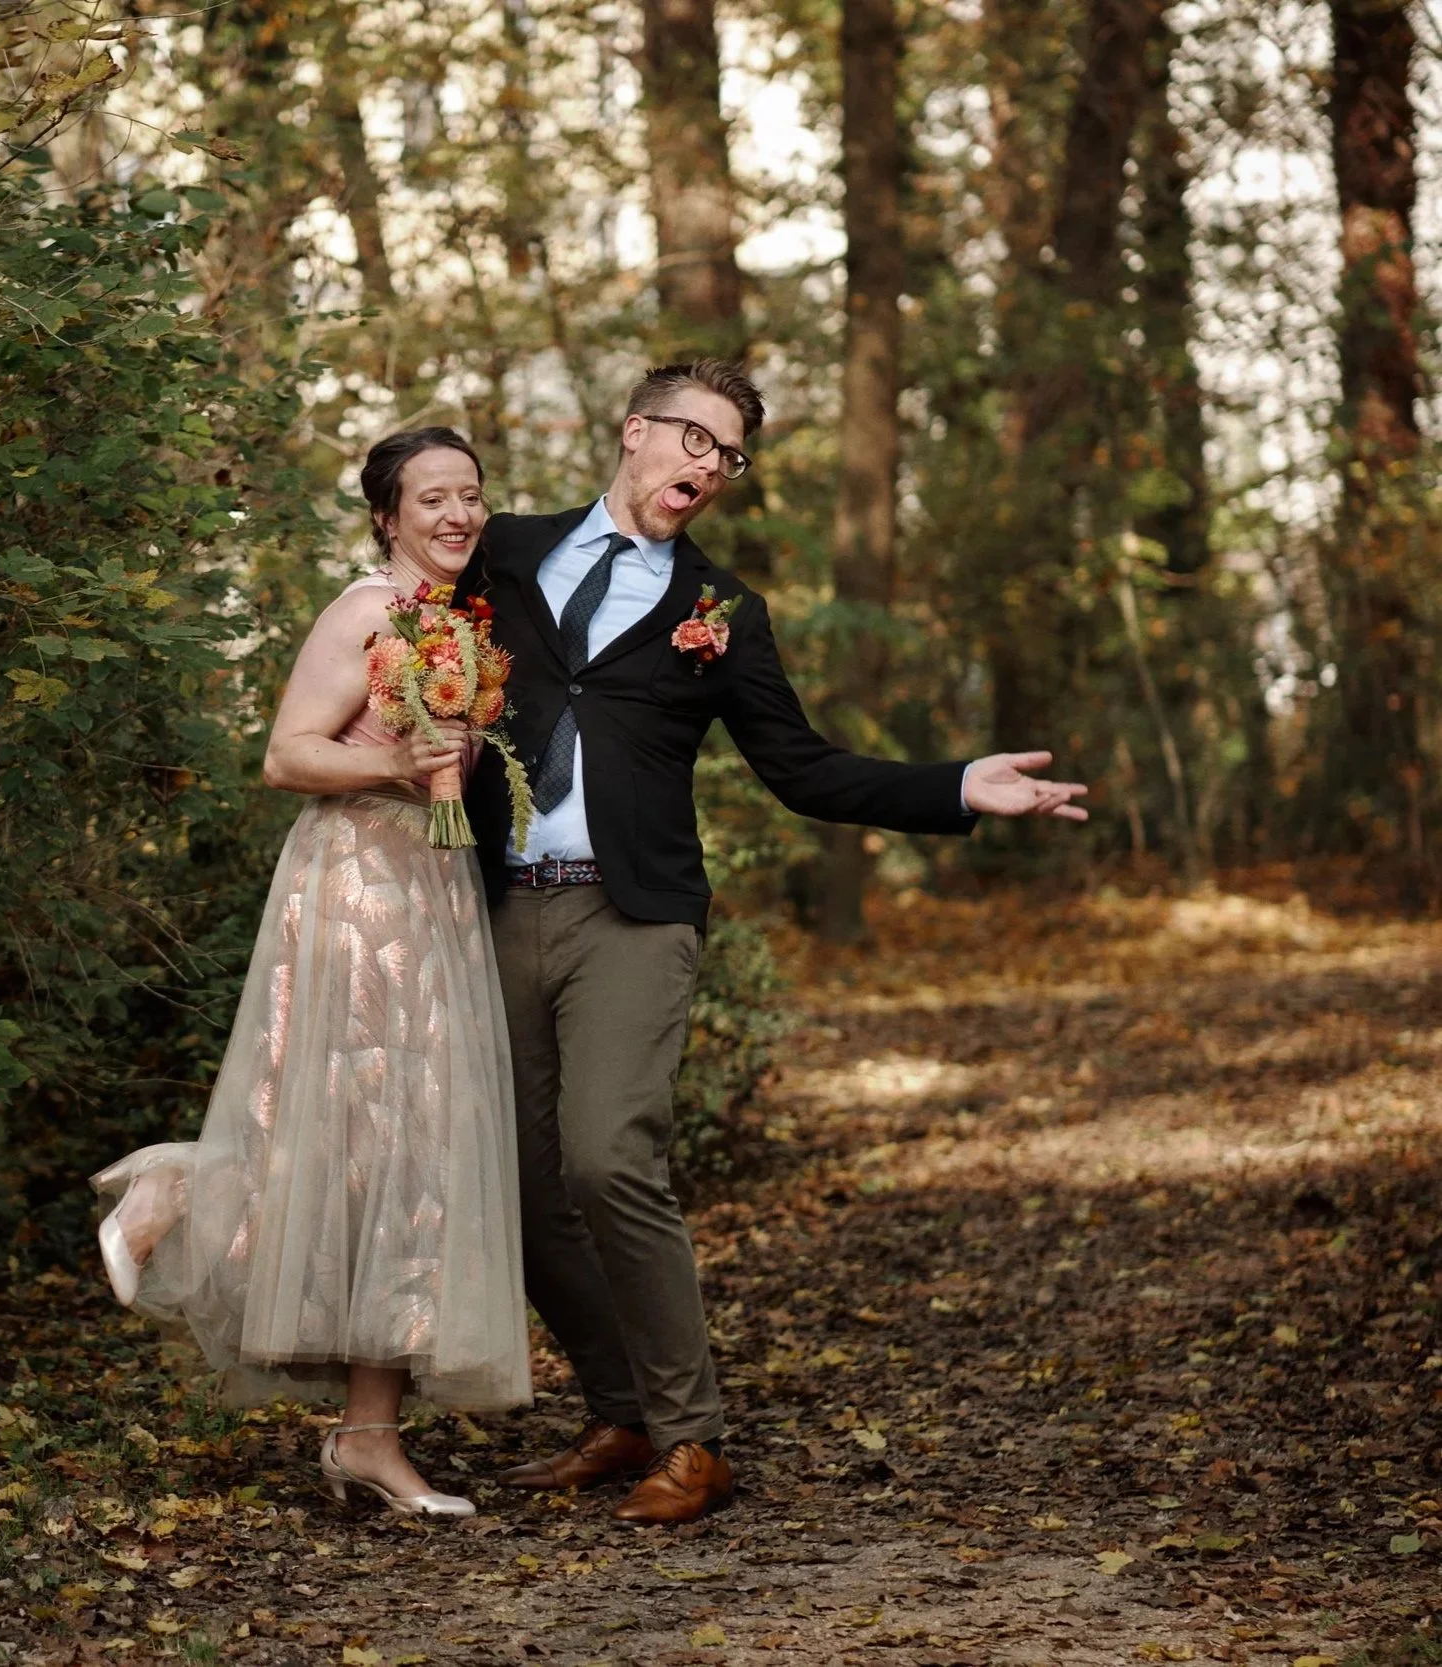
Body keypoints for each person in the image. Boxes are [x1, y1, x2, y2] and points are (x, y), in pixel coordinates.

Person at [460, 359, 1088, 1526]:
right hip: (493, 902)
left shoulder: (721, 612)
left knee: (606, 1156)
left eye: (728, 456)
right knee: (517, 1177)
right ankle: (621, 1413)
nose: (706, 467)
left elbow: (802, 768)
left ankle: (693, 1440)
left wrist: (955, 786)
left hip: (631, 914)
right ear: (634, 429)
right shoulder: (500, 552)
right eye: (693, 440)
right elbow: (406, 647)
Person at [92, 428, 530, 1519]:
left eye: (469, 495)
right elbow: (288, 752)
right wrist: (395, 758)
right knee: (347, 1129)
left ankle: (367, 1437)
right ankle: (179, 1190)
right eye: (430, 497)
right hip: (356, 890)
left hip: (430, 890)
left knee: (413, 1147)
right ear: (386, 515)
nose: (455, 514)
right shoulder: (363, 610)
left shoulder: (453, 620)